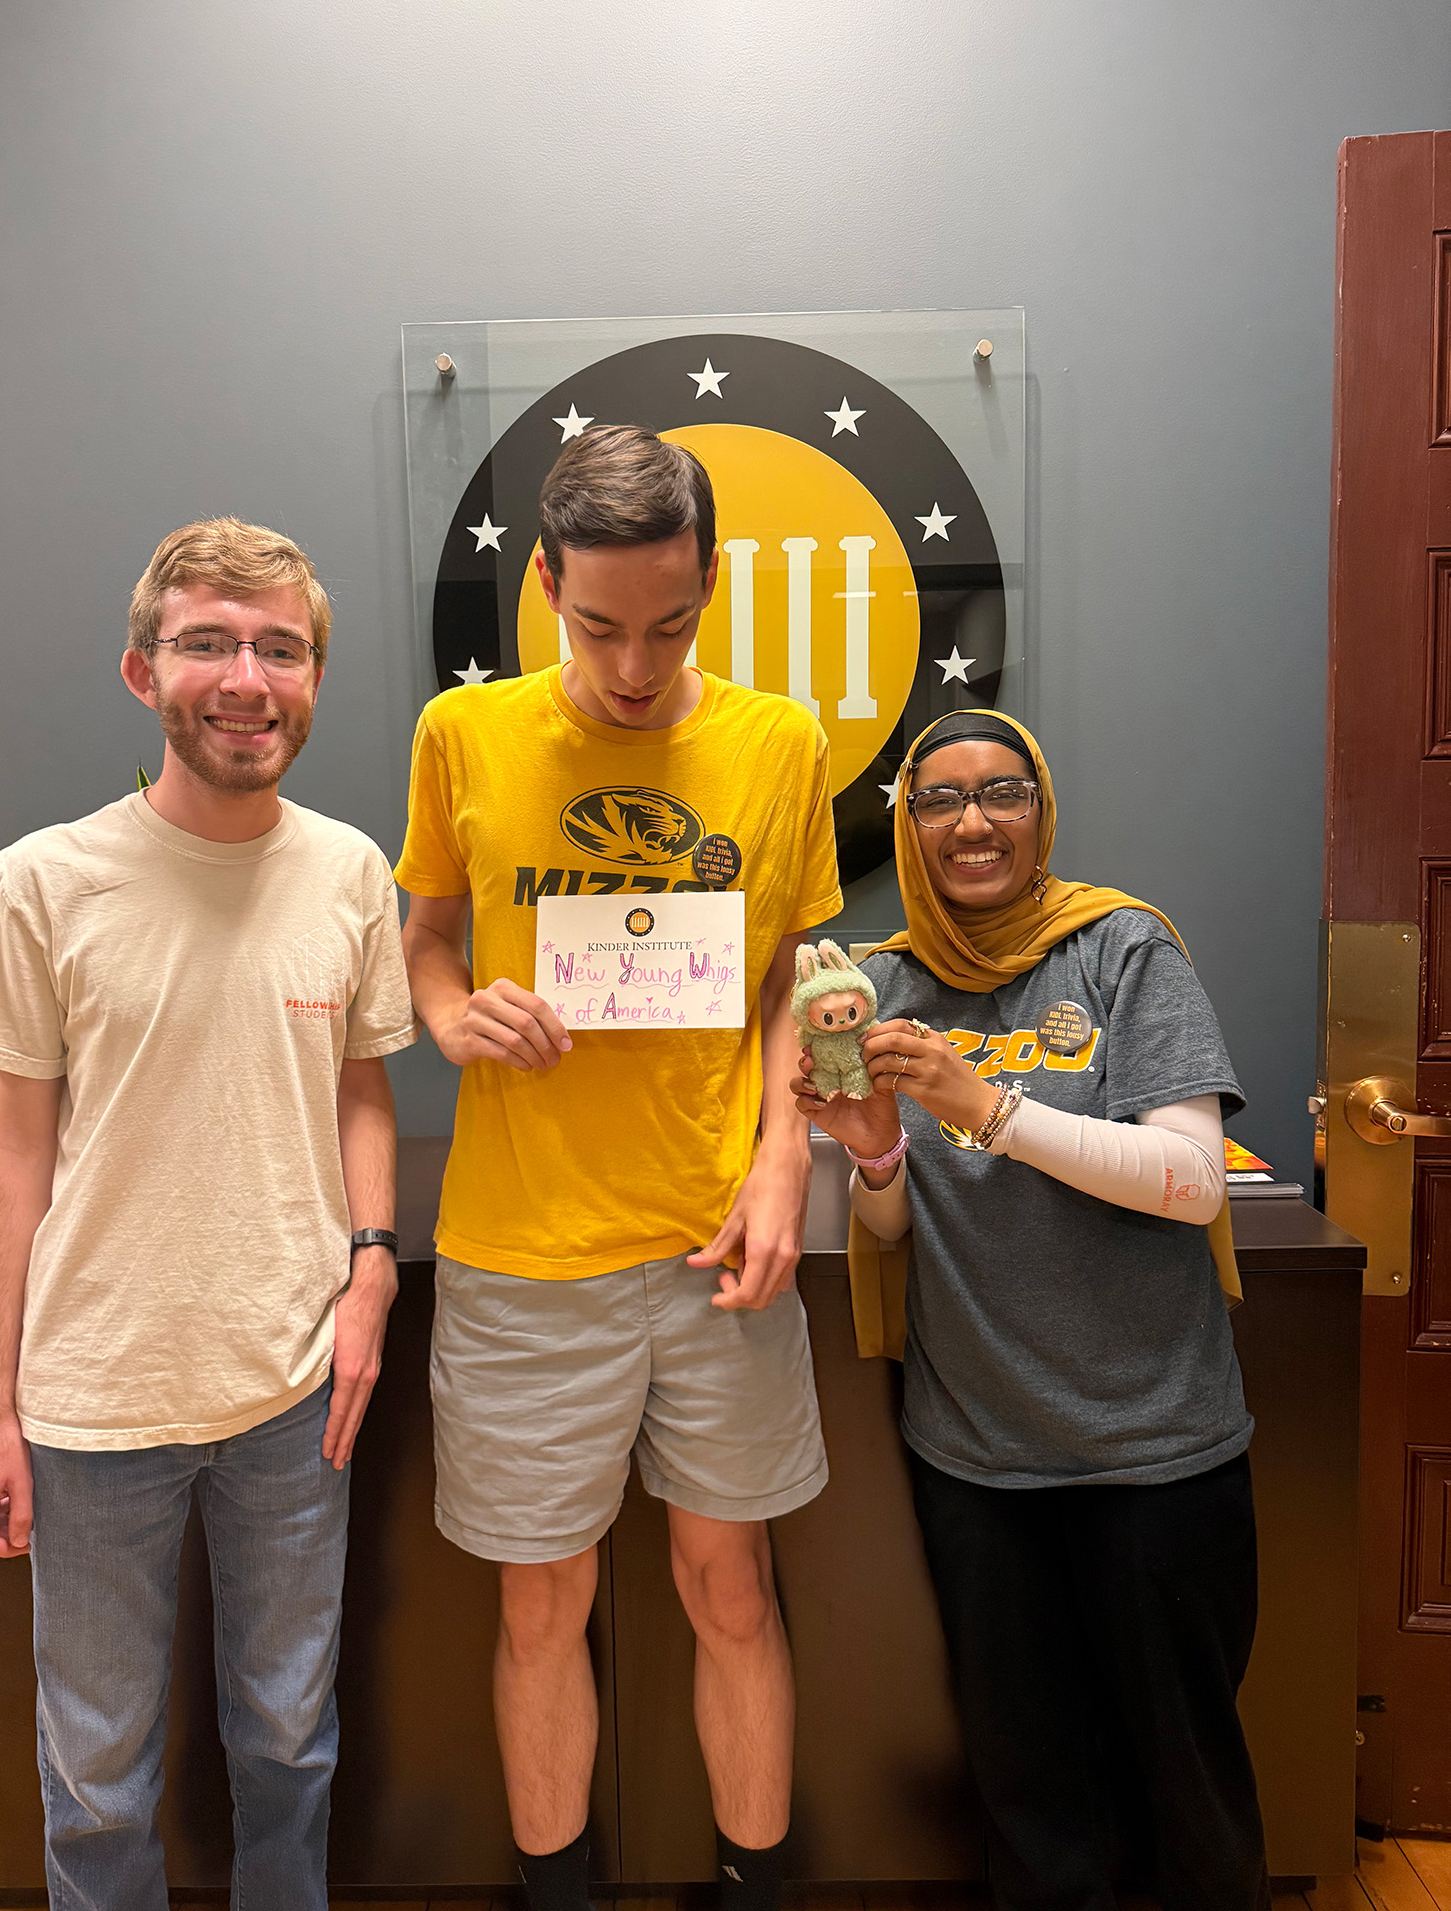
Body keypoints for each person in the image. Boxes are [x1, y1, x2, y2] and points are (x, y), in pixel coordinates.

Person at [397, 425, 842, 1911]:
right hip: (526, 1253)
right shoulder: (464, 736)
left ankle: (756, 1888)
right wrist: (459, 1017)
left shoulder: (781, 742)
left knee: (733, 1590)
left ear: (710, 583)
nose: (634, 664)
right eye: (597, 626)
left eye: (671, 624)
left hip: (719, 1244)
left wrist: (784, 1162)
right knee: (543, 1604)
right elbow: (426, 942)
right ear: (542, 583)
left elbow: (790, 978)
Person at [0, 519, 417, 1911]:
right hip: (92, 1402)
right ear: (141, 672)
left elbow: (364, 1098)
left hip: (292, 1391)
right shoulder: (42, 883)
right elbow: (12, 1158)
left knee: (290, 1743)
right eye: (207, 642)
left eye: (281, 648)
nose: (245, 678)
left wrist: (373, 1273)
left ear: (315, 677)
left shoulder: (349, 873)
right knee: (96, 1780)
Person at [794, 709, 1268, 1911]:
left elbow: (1193, 1178)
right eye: (939, 799)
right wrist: (875, 1155)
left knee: (1186, 1791)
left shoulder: (1122, 948)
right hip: (981, 1458)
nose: (971, 822)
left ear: (1040, 806)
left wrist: (983, 1102)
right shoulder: (880, 981)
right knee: (1032, 1798)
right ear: (907, 825)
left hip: (1155, 1450)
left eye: (1000, 791)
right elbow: (901, 1229)